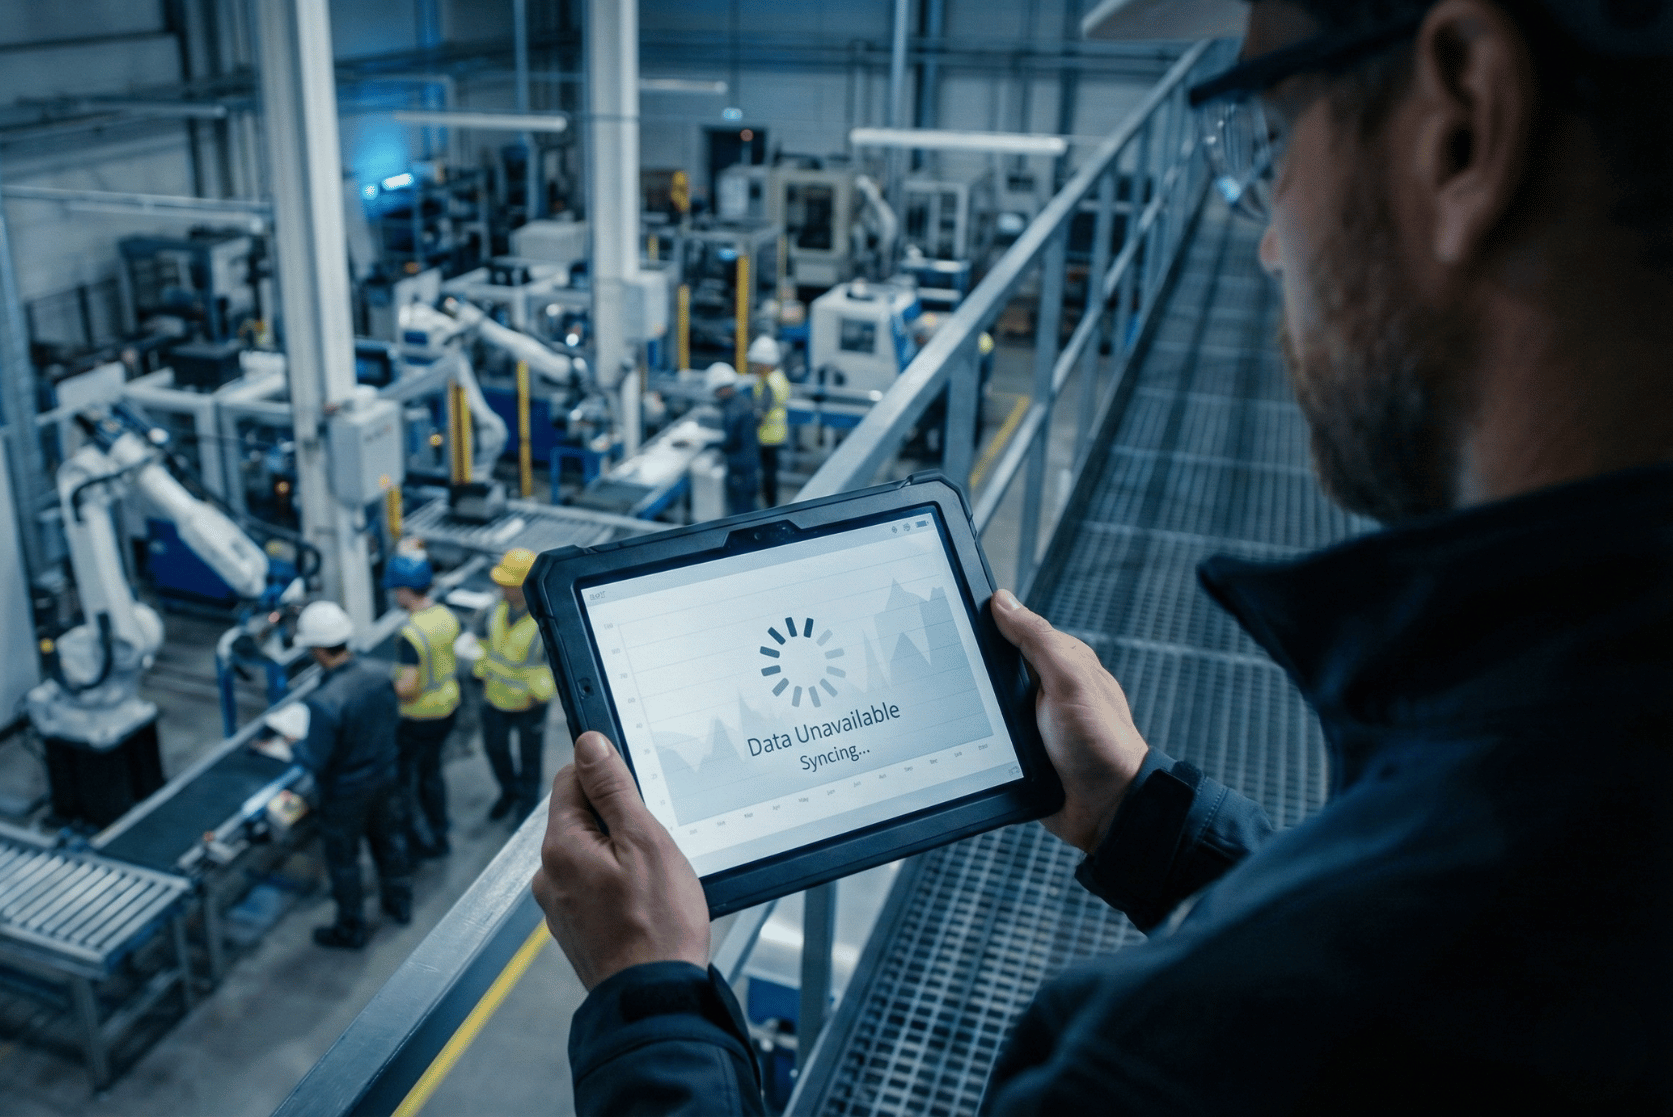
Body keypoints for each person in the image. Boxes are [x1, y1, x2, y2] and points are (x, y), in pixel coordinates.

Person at [532, 0, 1673, 1110]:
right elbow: (1445, 965)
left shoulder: (1168, 1058)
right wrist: (1144, 815)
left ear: (1462, 122)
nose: (1271, 241)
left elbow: (1379, 983)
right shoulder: (1585, 791)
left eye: (1270, 132)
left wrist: (654, 1006)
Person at [287, 600, 411, 949]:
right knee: (389, 842)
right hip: (386, 777)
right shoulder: (379, 673)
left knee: (344, 861)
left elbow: (316, 759)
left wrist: (292, 743)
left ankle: (351, 928)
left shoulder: (324, 701)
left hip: (345, 794)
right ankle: (399, 903)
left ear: (316, 650)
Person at [385, 545, 461, 859]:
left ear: (404, 592)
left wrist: (388, 686)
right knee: (433, 773)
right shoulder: (444, 614)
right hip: (448, 705)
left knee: (408, 781)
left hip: (420, 716)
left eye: (395, 590)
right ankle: (441, 831)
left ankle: (417, 842)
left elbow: (409, 688)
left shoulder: (411, 634)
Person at [474, 547, 554, 823]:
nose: (503, 589)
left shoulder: (547, 618)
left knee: (530, 759)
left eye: (509, 585)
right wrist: (482, 672)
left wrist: (539, 693)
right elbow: (484, 645)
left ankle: (527, 807)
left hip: (529, 703)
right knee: (496, 750)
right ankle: (509, 792)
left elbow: (555, 664)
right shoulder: (493, 610)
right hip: (494, 697)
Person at [707, 362, 760, 515]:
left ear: (723, 388)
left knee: (741, 514)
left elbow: (731, 441)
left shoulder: (732, 410)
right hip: (750, 467)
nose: (716, 396)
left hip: (739, 470)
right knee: (750, 509)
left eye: (716, 391)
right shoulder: (742, 401)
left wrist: (710, 445)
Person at [746, 336, 792, 507]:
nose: (754, 367)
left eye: (756, 363)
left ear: (766, 363)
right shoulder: (777, 377)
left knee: (768, 476)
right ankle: (770, 504)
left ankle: (769, 508)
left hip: (767, 437)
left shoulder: (769, 384)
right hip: (774, 435)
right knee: (770, 473)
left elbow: (761, 412)